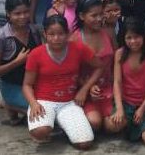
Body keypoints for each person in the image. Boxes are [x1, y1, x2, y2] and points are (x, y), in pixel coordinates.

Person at [23, 15, 103, 149]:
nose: (56, 38)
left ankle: (62, 124)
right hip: (43, 101)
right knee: (41, 132)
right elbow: (27, 85)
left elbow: (100, 66)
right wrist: (34, 103)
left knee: (85, 143)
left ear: (68, 33)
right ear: (45, 35)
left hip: (69, 102)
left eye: (60, 34)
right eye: (51, 34)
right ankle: (50, 122)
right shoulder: (36, 54)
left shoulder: (78, 49)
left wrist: (84, 89)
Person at [0, 0, 42, 126]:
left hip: (33, 84)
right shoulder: (1, 37)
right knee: (40, 114)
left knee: (50, 107)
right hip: (13, 85)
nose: (23, 17)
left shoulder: (34, 31)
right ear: (8, 14)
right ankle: (10, 105)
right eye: (17, 14)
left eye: (26, 12)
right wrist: (17, 62)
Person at [106, 18, 145, 148]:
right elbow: (117, 82)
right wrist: (119, 109)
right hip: (125, 103)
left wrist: (142, 108)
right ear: (124, 39)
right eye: (129, 38)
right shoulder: (119, 54)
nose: (133, 41)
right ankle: (128, 126)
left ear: (143, 36)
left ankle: (141, 128)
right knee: (110, 126)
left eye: (137, 37)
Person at [71, 0, 116, 132]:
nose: (99, 19)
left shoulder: (108, 32)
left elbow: (117, 59)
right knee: (94, 123)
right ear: (82, 16)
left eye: (101, 14)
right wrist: (86, 88)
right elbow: (71, 71)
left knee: (114, 126)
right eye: (94, 15)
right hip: (85, 91)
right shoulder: (75, 39)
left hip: (108, 89)